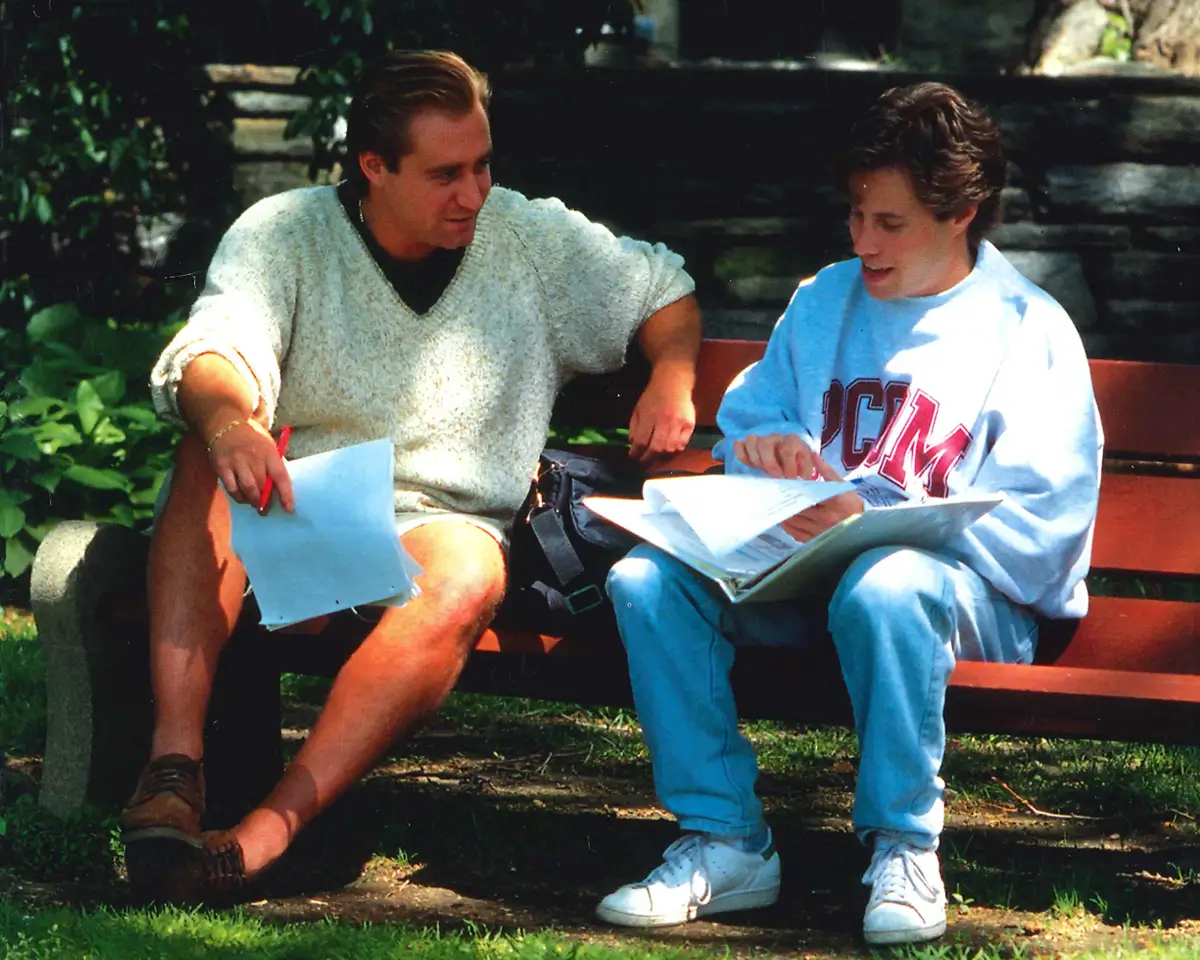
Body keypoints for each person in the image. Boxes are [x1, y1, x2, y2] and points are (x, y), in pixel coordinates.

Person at [122, 49, 701, 902]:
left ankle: (269, 831)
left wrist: (672, 376)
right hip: (304, 510)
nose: (473, 193)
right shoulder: (288, 232)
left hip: (443, 526)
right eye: (445, 174)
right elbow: (217, 347)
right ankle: (175, 768)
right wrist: (231, 422)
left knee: (469, 572)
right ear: (374, 168)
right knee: (201, 454)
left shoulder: (527, 237)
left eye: (483, 165)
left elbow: (662, 287)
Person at [596, 82, 1102, 945]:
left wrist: (875, 520)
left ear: (961, 213)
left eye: (890, 223)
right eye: (857, 214)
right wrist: (773, 451)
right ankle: (725, 842)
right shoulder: (826, 298)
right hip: (806, 582)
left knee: (887, 581)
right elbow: (755, 417)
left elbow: (1046, 542)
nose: (863, 241)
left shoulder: (1027, 329)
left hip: (961, 607)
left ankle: (905, 847)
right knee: (645, 580)